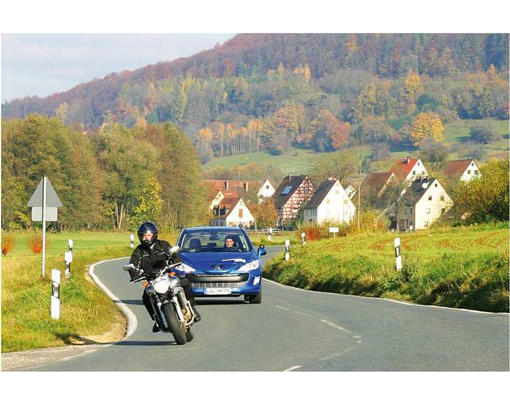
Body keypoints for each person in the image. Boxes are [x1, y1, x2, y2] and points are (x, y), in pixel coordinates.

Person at [128, 221, 201, 332]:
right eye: (144, 236)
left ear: (154, 234)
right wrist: (134, 273)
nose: (146, 238)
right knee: (146, 297)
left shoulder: (163, 245)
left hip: (167, 274)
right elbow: (133, 264)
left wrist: (176, 260)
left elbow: (174, 254)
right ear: (140, 236)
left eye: (148, 235)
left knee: (185, 282)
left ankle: (192, 308)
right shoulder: (139, 251)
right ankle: (156, 319)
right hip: (152, 280)